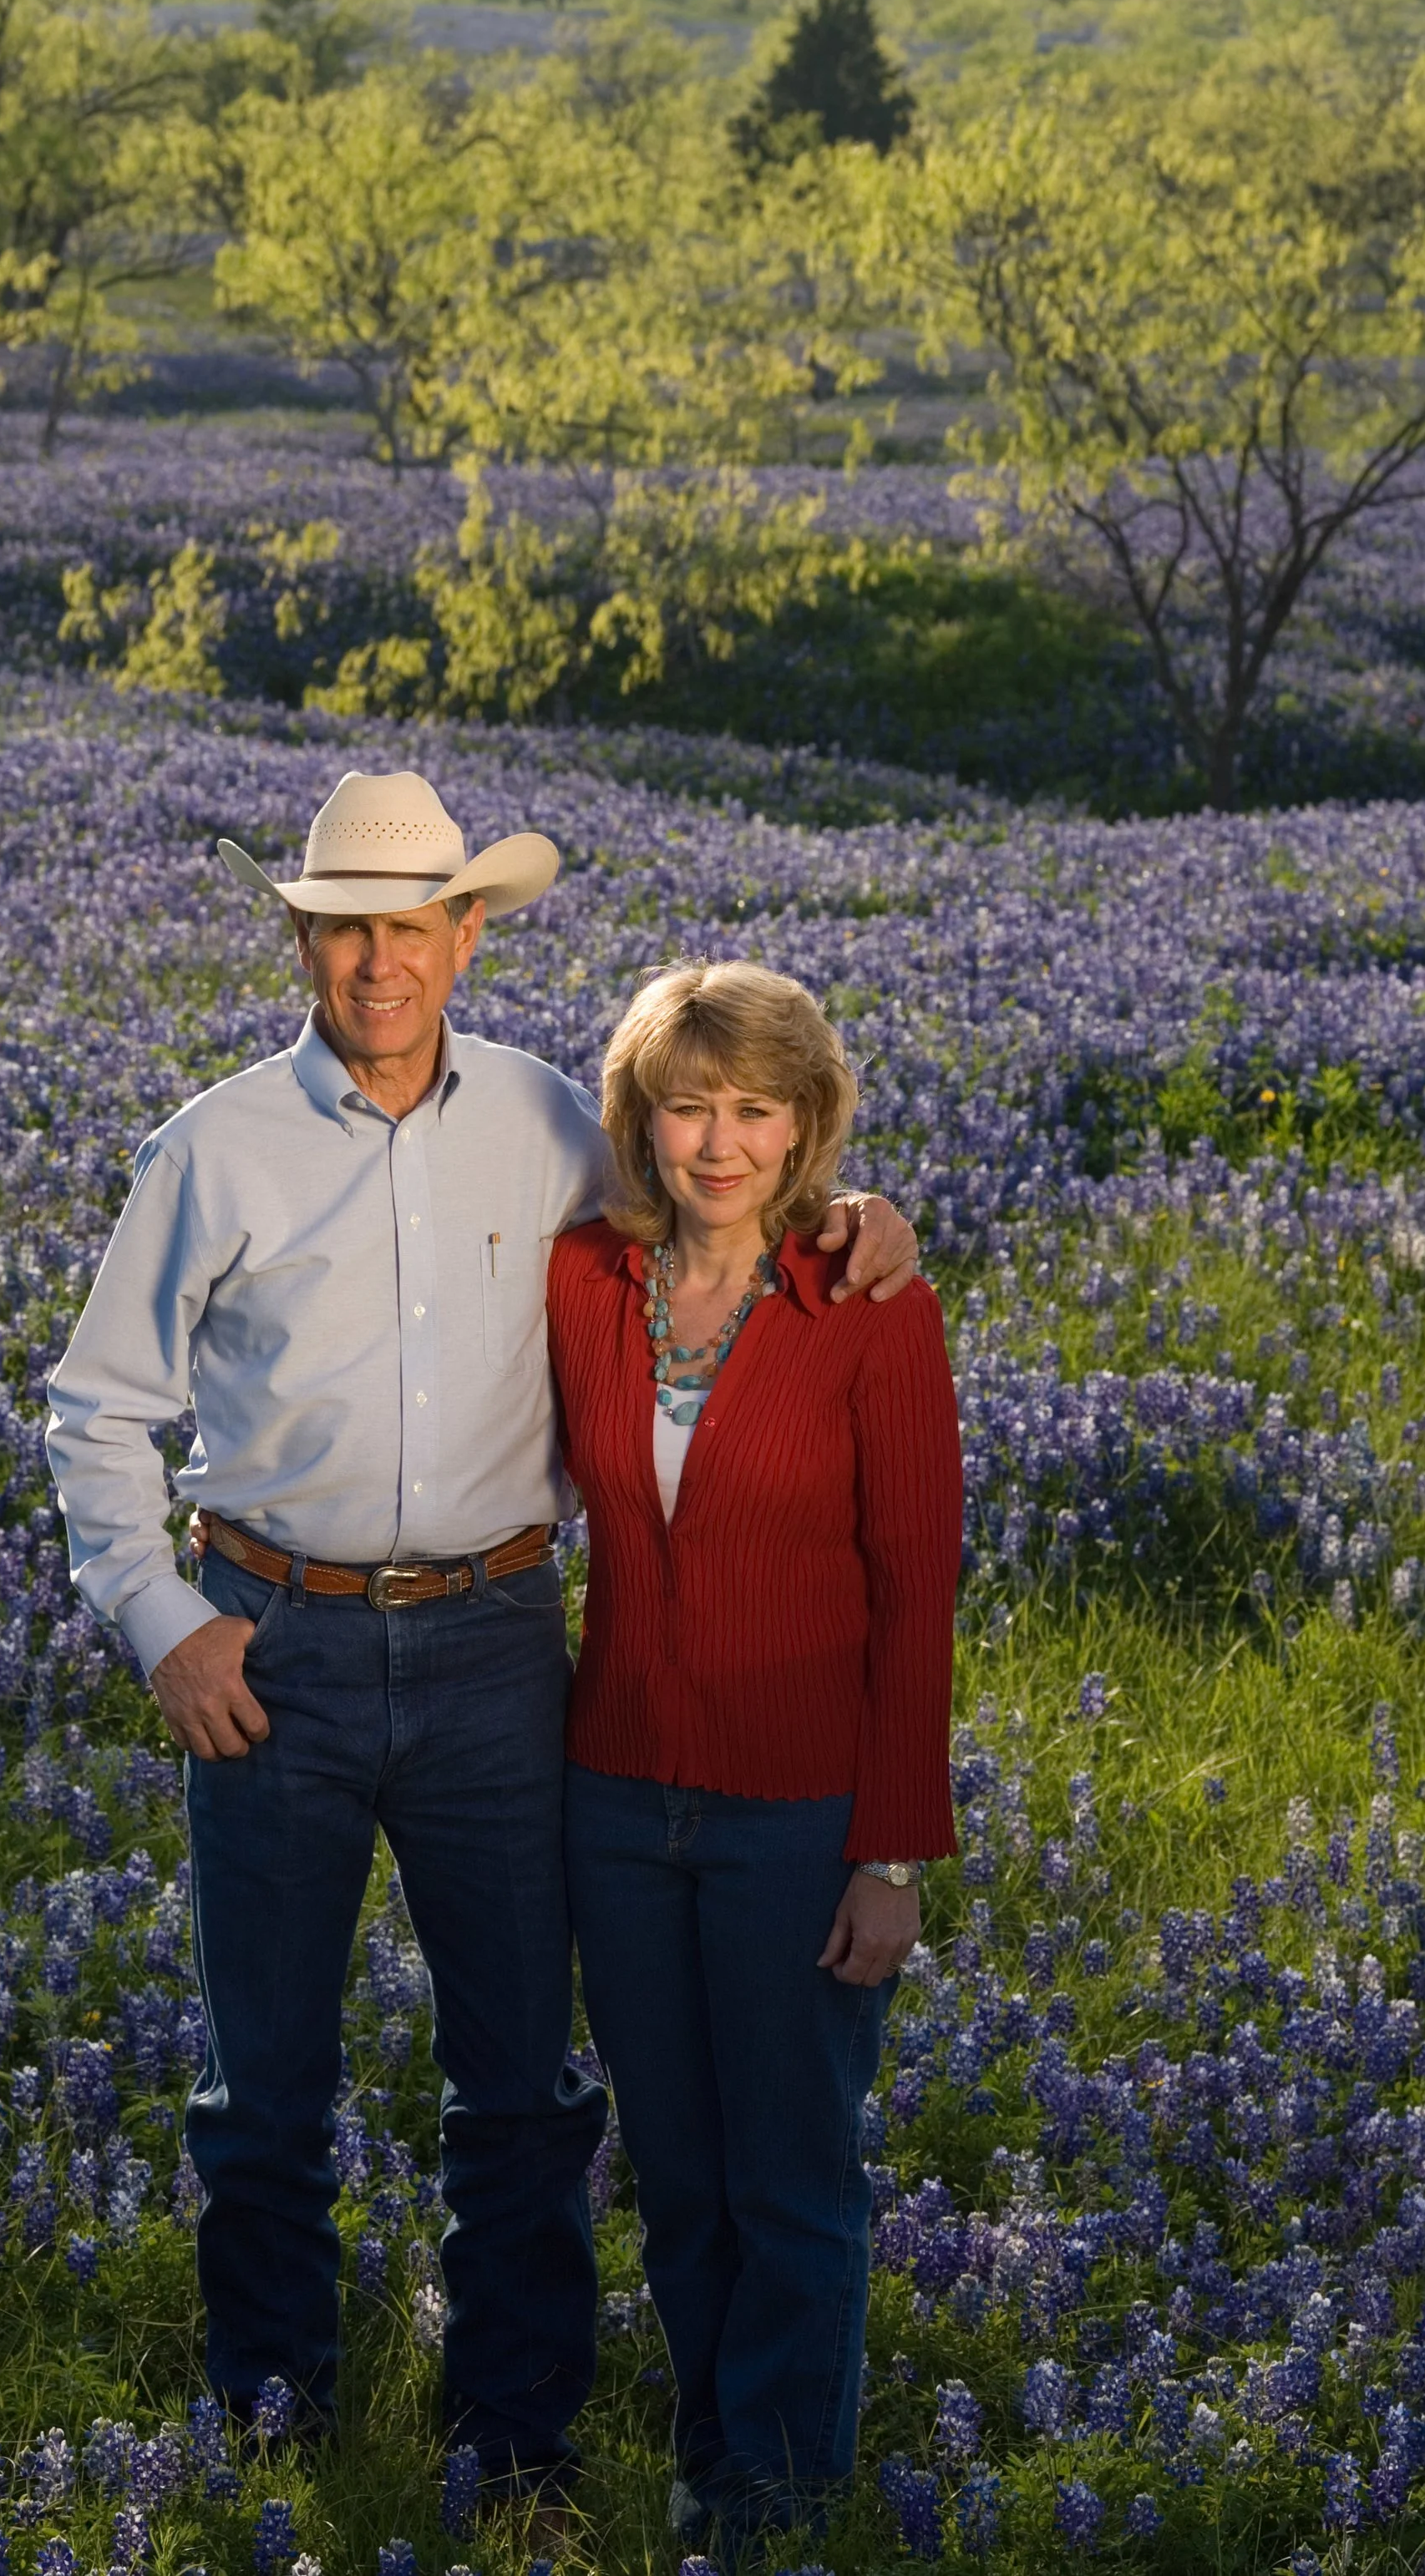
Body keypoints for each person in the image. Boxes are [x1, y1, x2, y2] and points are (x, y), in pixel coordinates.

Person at [43, 771, 919, 2502]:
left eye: (413, 927)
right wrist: (162, 1622)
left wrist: (853, 1216)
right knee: (262, 2088)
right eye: (346, 927)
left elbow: (721, 1185)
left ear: (466, 934)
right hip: (265, 1640)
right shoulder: (210, 1146)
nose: (382, 963)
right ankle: (275, 2423)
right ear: (303, 936)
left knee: (518, 2078)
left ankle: (514, 2433)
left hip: (498, 1646)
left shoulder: (545, 1121)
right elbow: (92, 1409)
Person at [546, 960, 962, 2558]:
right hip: (617, 1791)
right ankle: (714, 2448)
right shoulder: (588, 1280)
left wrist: (893, 1850)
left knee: (792, 2172)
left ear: (806, 1128)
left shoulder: (869, 1302)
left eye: (755, 1109)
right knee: (677, 2162)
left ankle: (779, 2497)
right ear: (643, 1119)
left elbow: (916, 1586)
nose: (720, 1141)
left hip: (801, 1813)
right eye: (690, 1103)